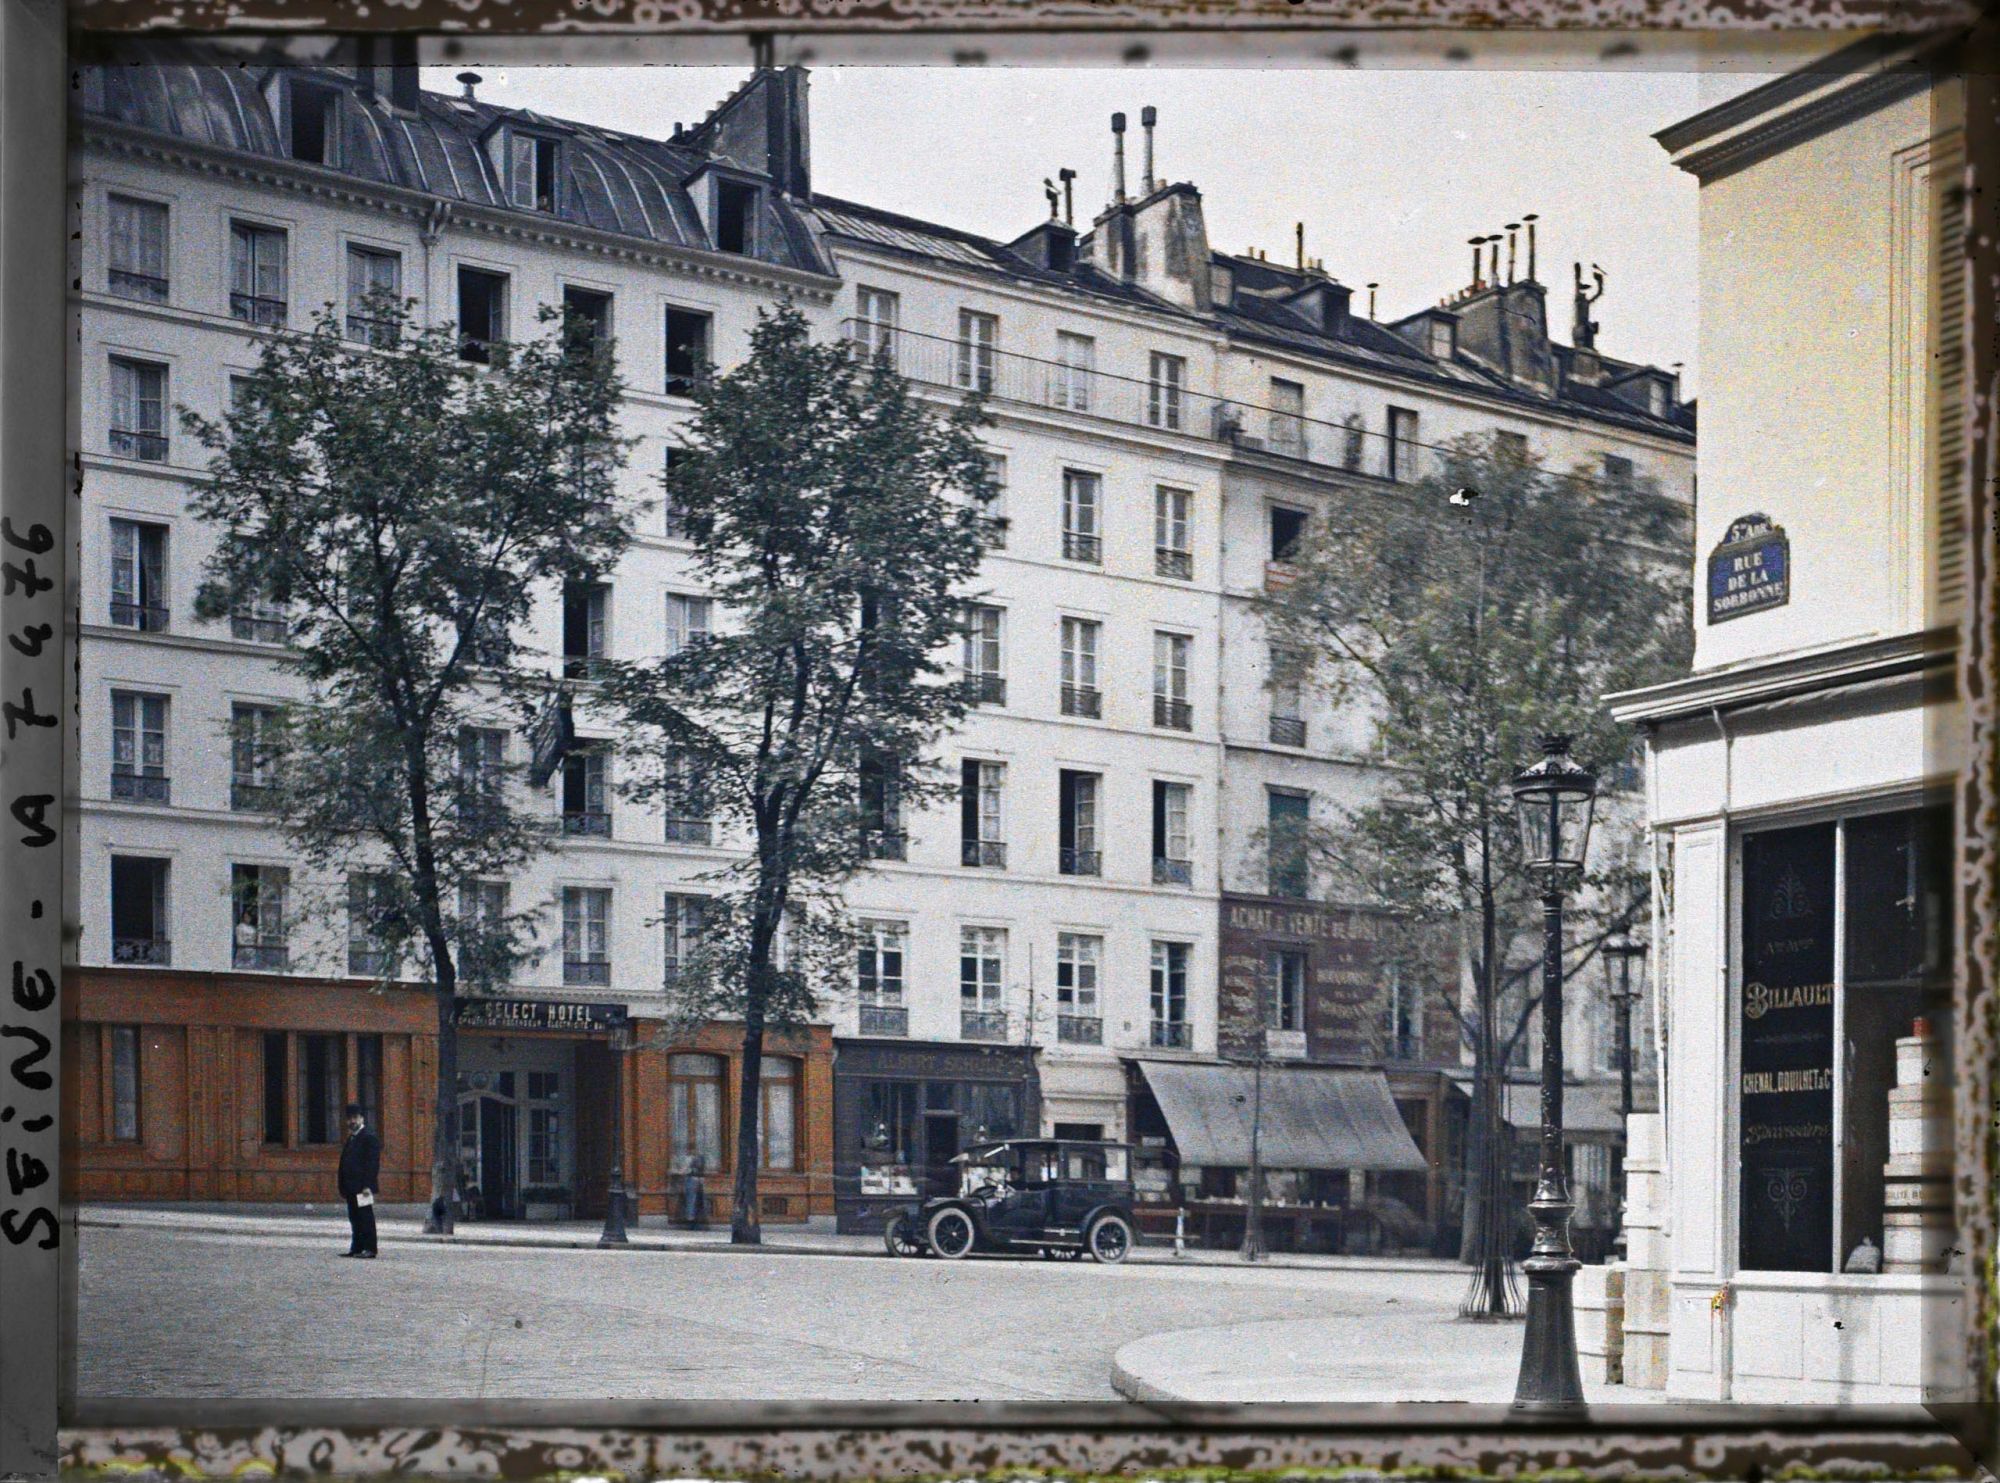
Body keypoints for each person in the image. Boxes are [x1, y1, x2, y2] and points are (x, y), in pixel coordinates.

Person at [337, 1102, 381, 1258]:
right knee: (354, 1218)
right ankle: (356, 1248)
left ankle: (370, 1248)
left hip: (363, 1188)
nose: (352, 1121)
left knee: (365, 1216)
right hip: (351, 1187)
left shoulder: (369, 1137)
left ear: (362, 1118)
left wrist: (368, 1185)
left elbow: (372, 1164)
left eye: (355, 1118)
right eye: (349, 1118)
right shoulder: (352, 1139)